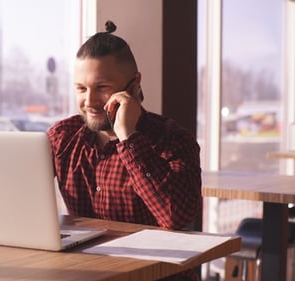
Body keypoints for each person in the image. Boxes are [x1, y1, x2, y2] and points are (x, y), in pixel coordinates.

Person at [46, 21, 202, 281]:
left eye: (103, 88)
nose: (90, 101)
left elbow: (176, 215)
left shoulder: (173, 140)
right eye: (82, 89)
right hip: (88, 273)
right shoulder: (63, 138)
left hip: (157, 276)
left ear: (134, 85)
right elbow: (18, 194)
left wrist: (128, 137)